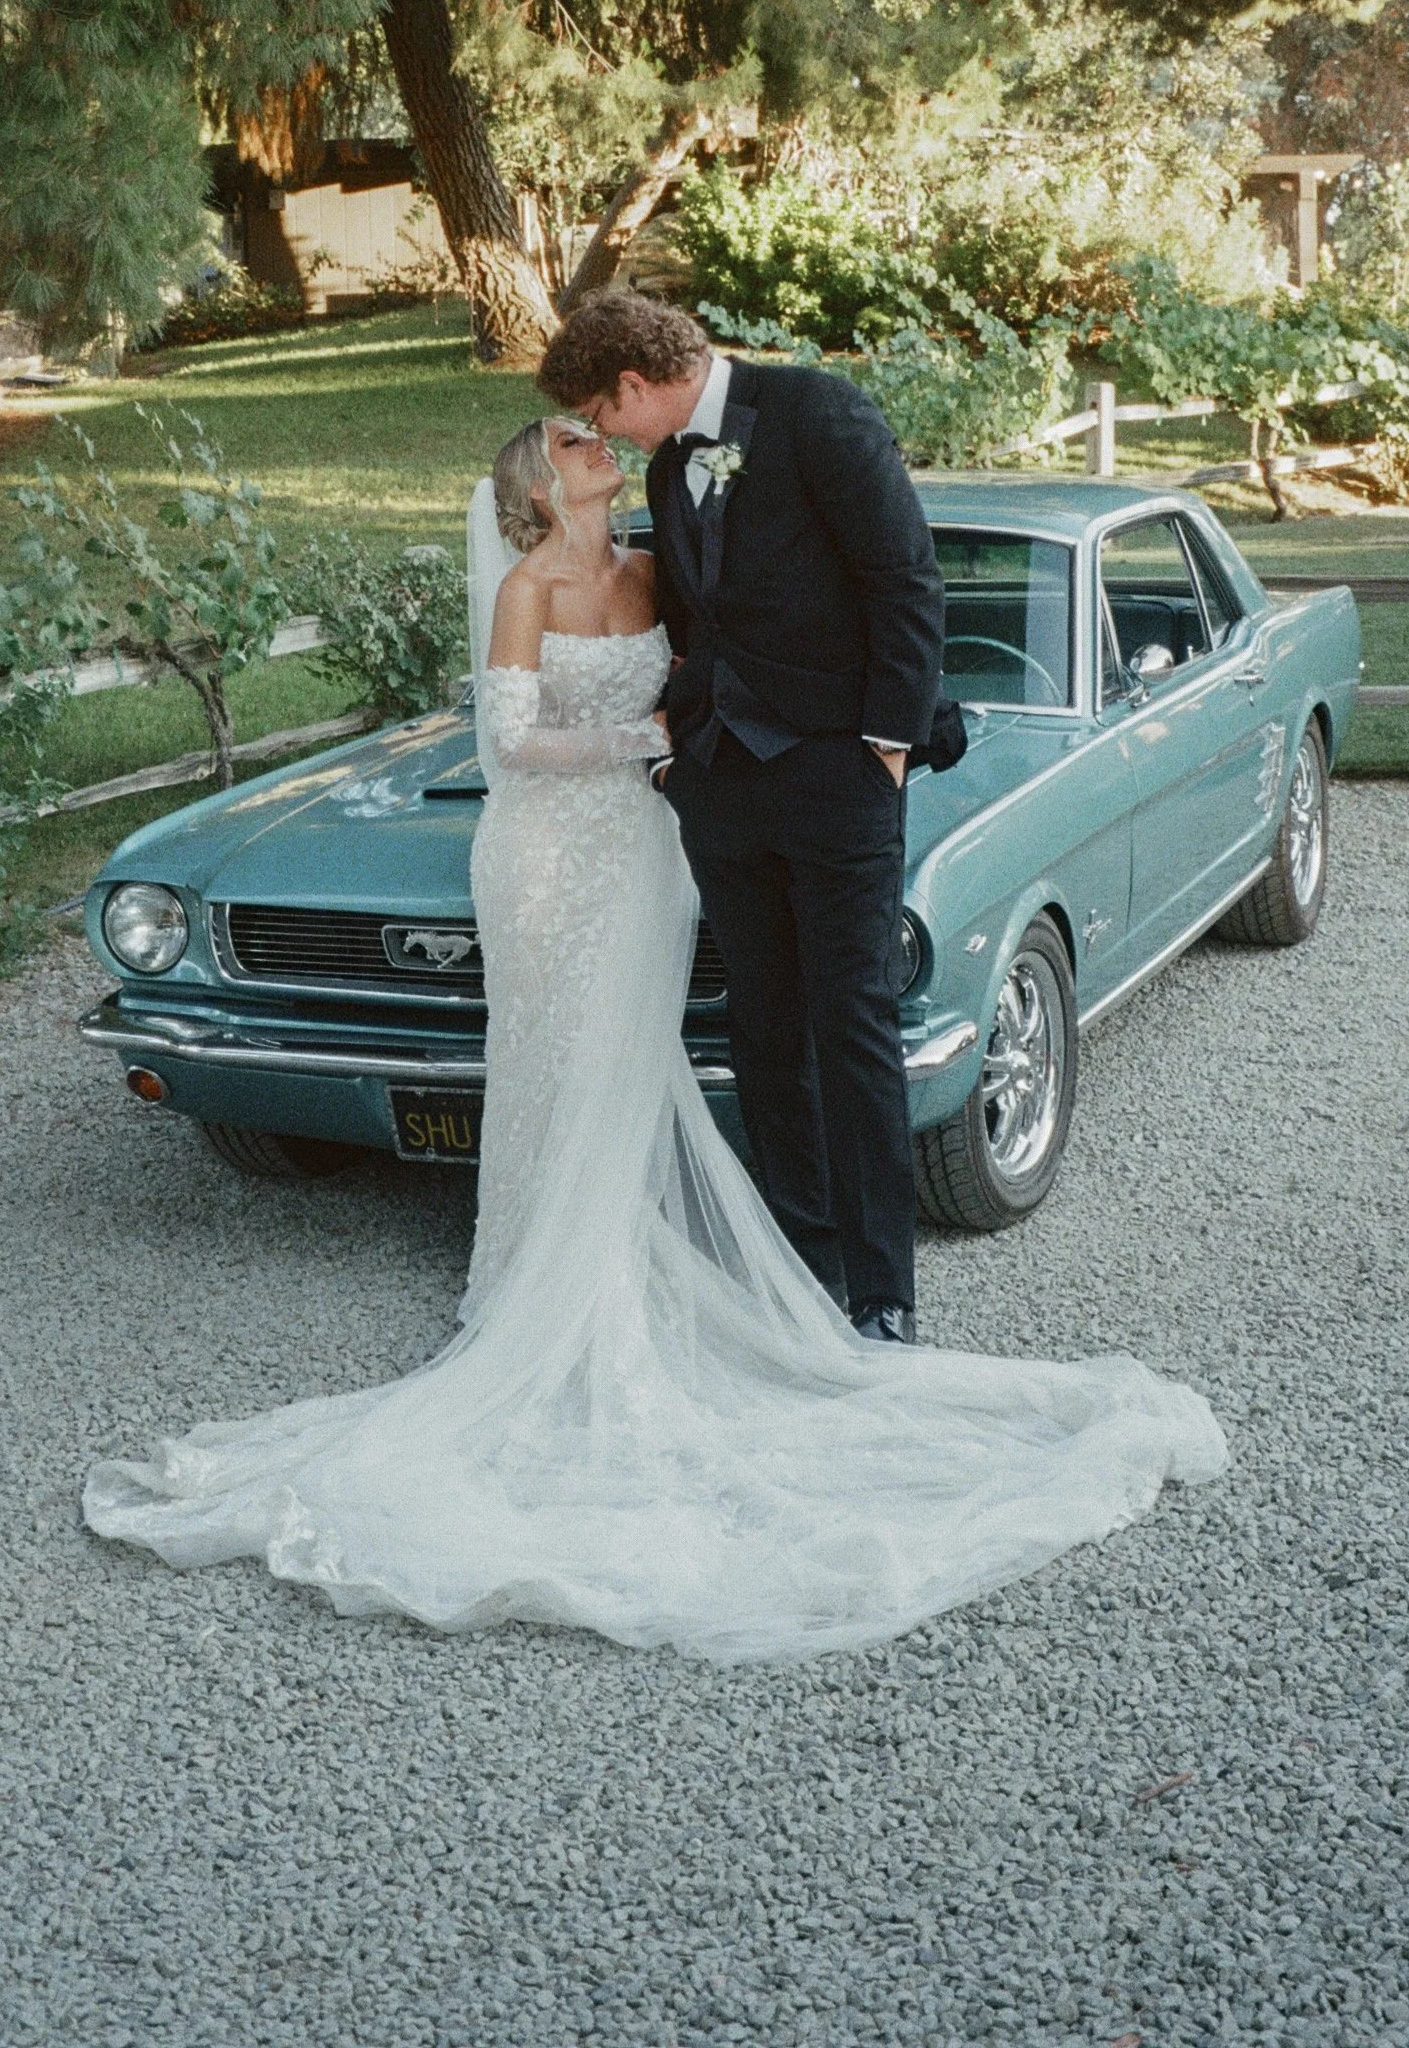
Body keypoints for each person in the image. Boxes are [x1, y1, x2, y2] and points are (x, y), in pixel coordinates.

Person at [83, 394, 1225, 1661]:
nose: (604, 450)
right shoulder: (531, 585)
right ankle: (543, 1274)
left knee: (656, 1047)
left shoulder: (658, 562)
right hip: (552, 845)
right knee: (559, 1054)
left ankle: (810, 1270)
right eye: (578, 443)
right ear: (535, 481)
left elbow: (768, 636)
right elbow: (520, 735)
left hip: (668, 833)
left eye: (601, 433)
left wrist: (817, 735)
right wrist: (664, 731)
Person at [541, 292, 943, 1340]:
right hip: (720, 783)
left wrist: (885, 748)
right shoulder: (675, 464)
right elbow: (692, 619)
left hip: (838, 777)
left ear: (634, 382)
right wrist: (677, 754)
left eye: (599, 412)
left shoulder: (816, 414)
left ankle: (881, 1290)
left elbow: (902, 580)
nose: (605, 437)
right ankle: (798, 1267)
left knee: (852, 1023)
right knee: (762, 1028)